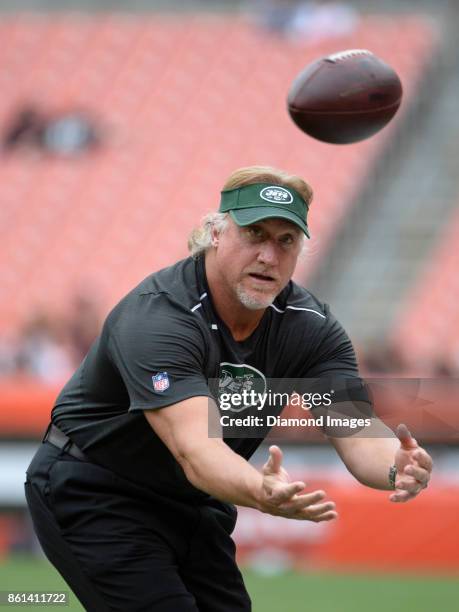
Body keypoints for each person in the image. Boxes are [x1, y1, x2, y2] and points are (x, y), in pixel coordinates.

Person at [25, 166, 433, 612]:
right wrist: (259, 489)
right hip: (98, 489)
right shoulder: (161, 317)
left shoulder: (310, 330)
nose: (268, 256)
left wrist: (396, 466)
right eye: (254, 233)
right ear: (215, 234)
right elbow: (196, 453)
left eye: (285, 241)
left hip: (194, 503)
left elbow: (354, 430)